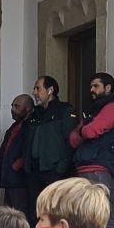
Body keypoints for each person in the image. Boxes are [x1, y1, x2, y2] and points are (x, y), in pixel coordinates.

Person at [67, 71, 114, 228]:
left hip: (99, 167)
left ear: (108, 88)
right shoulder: (92, 111)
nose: (91, 89)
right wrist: (84, 131)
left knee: (102, 214)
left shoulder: (112, 108)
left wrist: (83, 131)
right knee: (85, 214)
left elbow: (91, 131)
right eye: (91, 86)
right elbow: (73, 140)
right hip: (84, 167)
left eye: (96, 86)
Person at [22, 75, 76, 209]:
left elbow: (70, 142)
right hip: (34, 171)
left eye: (38, 88)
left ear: (50, 90)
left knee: (54, 212)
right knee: (35, 213)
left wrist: (59, 169)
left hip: (53, 172)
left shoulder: (64, 110)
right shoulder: (34, 115)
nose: (34, 92)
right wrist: (27, 167)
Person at [0, 94, 33, 223]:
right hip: (10, 179)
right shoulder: (14, 127)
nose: (12, 109)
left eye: (17, 106)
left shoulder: (30, 127)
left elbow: (30, 150)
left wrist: (18, 164)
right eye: (12, 105)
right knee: (8, 215)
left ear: (27, 108)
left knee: (19, 216)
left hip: (21, 180)